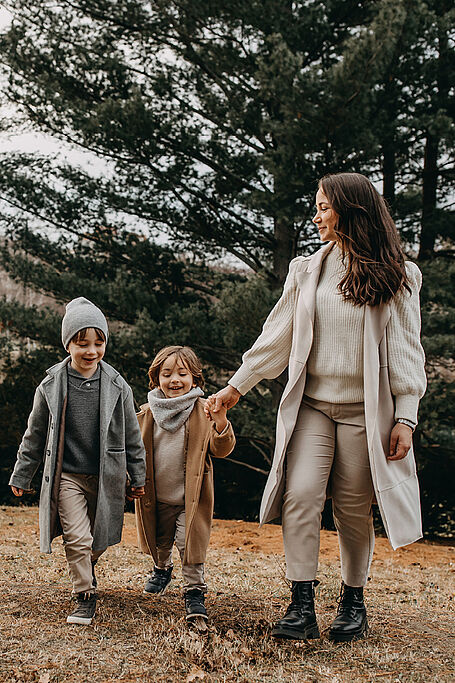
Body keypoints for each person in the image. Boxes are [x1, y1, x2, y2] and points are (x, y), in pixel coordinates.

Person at [207, 172, 426, 642]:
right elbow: (276, 338)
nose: (317, 215)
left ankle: (353, 600)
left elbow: (408, 351)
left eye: (324, 207)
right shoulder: (307, 269)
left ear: (350, 210)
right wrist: (235, 388)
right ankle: (301, 603)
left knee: (352, 509)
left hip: (365, 413)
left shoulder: (400, 274)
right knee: (301, 495)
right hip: (313, 407)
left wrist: (405, 416)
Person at [9, 297, 146, 626]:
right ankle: (85, 595)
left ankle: (86, 566)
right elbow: (35, 434)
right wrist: (21, 474)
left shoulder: (117, 386)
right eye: (82, 343)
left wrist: (137, 476)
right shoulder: (51, 385)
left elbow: (132, 436)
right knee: (78, 538)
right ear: (68, 343)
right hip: (67, 475)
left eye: (99, 343)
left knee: (98, 538)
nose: (91, 351)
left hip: (105, 476)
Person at [135, 345, 235, 625]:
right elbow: (131, 451)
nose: (175, 380)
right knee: (160, 541)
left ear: (195, 379)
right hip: (156, 496)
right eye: (167, 374)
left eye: (182, 373)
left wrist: (220, 423)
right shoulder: (145, 414)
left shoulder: (203, 411)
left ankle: (194, 592)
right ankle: (161, 569)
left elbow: (221, 448)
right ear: (156, 379)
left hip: (190, 499)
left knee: (188, 543)